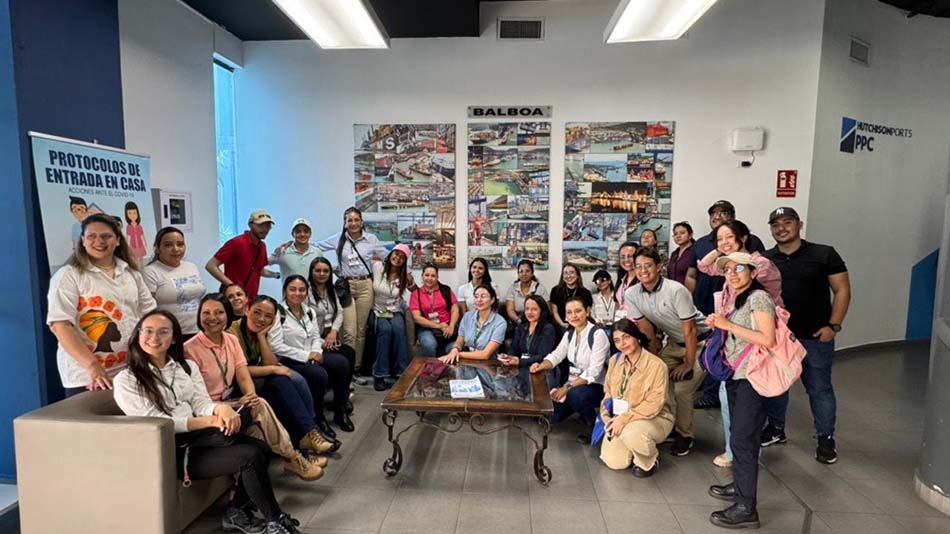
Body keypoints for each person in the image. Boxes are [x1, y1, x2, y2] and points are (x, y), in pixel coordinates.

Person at [114, 310, 305, 534]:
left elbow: (201, 402)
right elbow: (159, 425)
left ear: (174, 337)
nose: (154, 338)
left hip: (202, 438)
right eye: (148, 331)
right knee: (249, 455)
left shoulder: (185, 367)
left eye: (163, 332)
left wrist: (221, 409)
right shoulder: (127, 379)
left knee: (260, 444)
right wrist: (210, 421)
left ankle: (238, 511)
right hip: (173, 449)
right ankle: (276, 520)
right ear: (138, 334)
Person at [184, 294, 326, 481]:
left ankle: (297, 452)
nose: (213, 318)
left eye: (219, 312)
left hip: (232, 399)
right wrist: (243, 401)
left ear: (227, 315)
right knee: (267, 402)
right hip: (211, 407)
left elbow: (242, 373)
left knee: (267, 401)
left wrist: (250, 395)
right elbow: (198, 398)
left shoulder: (229, 339)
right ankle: (294, 455)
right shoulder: (190, 348)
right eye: (207, 313)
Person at [761, 207, 851, 464]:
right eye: (775, 224)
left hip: (815, 337)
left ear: (799, 224)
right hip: (779, 338)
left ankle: (825, 438)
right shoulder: (766, 259)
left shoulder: (824, 254)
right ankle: (776, 429)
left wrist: (833, 326)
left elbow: (842, 289)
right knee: (776, 388)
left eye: (787, 222)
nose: (781, 228)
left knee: (819, 389)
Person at [47, 213, 157, 397]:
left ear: (118, 241)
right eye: (91, 236)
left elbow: (150, 315)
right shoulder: (69, 275)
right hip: (88, 376)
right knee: (92, 426)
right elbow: (60, 325)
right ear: (82, 241)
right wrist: (93, 367)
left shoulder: (131, 273)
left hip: (130, 370)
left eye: (106, 236)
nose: (99, 241)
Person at [705, 252, 777, 529]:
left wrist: (727, 324)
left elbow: (767, 338)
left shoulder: (758, 298)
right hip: (738, 375)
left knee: (744, 441)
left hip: (752, 378)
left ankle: (747, 508)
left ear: (753, 272)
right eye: (727, 270)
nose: (732, 274)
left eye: (738, 268)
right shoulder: (740, 298)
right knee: (738, 437)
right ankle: (740, 486)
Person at [624, 247, 709, 456]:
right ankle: (665, 424)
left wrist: (688, 363)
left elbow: (690, 330)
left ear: (659, 267)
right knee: (652, 378)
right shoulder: (632, 293)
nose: (643, 271)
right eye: (638, 267)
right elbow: (646, 330)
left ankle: (685, 435)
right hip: (673, 344)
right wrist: (648, 361)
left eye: (648, 265)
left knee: (682, 390)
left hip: (701, 344)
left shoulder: (676, 290)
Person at [227, 296, 339, 455]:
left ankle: (308, 436)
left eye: (268, 316)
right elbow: (241, 371)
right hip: (240, 385)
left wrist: (261, 337)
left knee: (289, 382)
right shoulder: (233, 333)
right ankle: (309, 434)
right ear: (246, 310)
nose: (261, 319)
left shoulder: (261, 332)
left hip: (258, 379)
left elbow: (269, 362)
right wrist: (273, 370)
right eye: (257, 313)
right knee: (283, 380)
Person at [693, 201, 765, 410]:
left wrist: (730, 324)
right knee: (731, 392)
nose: (724, 242)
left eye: (729, 237)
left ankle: (768, 429)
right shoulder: (729, 265)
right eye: (719, 238)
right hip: (730, 331)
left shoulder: (759, 264)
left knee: (748, 394)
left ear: (743, 238)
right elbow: (704, 266)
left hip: (752, 336)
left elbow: (768, 306)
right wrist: (720, 248)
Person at [270, 275, 355, 435]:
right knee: (319, 374)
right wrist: (307, 355)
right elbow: (276, 346)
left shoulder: (309, 312)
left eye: (302, 289)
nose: (298, 293)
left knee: (342, 363)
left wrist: (316, 351)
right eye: (292, 289)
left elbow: (316, 336)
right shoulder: (278, 313)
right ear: (285, 291)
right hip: (291, 359)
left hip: (311, 354)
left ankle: (340, 410)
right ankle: (318, 418)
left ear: (307, 292)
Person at [316, 207, 387, 377]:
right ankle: (346, 369)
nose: (353, 223)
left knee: (361, 330)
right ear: (345, 223)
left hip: (365, 286)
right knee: (349, 330)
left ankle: (356, 368)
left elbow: (389, 256)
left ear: (362, 221)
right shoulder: (338, 240)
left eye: (356, 220)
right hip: (345, 287)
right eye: (350, 220)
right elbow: (316, 246)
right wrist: (291, 244)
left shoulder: (371, 239)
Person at [598, 319, 674, 478]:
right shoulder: (614, 361)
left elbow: (654, 404)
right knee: (615, 462)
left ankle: (650, 459)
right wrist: (606, 417)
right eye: (617, 340)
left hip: (654, 418)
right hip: (621, 417)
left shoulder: (657, 365)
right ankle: (636, 448)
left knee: (631, 433)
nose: (622, 344)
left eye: (626, 337)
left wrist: (624, 419)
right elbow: (608, 394)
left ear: (637, 337)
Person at [529, 297, 609, 442]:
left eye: (578, 311)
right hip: (574, 384)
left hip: (597, 385)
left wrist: (566, 387)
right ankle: (580, 410)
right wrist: (542, 365)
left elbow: (594, 372)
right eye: (569, 312)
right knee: (551, 416)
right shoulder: (570, 333)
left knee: (574, 395)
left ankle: (595, 423)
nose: (574, 316)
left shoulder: (597, 334)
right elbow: (557, 355)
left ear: (587, 311)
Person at [144, 227, 206, 340]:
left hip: (198, 330)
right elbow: (146, 308)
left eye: (180, 244)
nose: (175, 249)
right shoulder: (150, 272)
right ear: (157, 248)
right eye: (168, 245)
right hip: (170, 335)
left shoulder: (191, 267)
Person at [370, 244, 416, 391]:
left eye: (402, 257)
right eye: (395, 254)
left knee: (399, 330)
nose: (397, 258)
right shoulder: (377, 267)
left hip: (395, 311)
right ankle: (379, 374)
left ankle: (401, 373)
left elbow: (416, 292)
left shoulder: (404, 277)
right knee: (385, 331)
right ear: (390, 255)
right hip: (378, 311)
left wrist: (412, 283)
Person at [206, 210, 275, 301]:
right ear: (250, 225)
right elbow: (211, 265)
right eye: (260, 225)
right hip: (232, 298)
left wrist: (277, 275)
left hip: (250, 299)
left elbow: (260, 270)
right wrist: (232, 286)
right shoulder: (237, 243)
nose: (265, 229)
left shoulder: (262, 246)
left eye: (268, 226)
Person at [307, 257, 356, 379]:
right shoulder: (305, 291)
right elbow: (306, 322)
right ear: (311, 272)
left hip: (329, 335)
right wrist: (322, 341)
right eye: (318, 271)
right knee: (340, 359)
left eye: (326, 271)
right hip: (313, 339)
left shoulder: (330, 290)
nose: (322, 274)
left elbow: (339, 311)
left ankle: (346, 385)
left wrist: (334, 331)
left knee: (349, 352)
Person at [438, 284, 508, 363]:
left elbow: (485, 354)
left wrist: (459, 354)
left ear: (492, 300)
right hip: (467, 362)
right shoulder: (467, 316)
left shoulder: (500, 322)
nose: (479, 300)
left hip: (488, 364)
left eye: (483, 296)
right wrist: (455, 349)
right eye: (476, 296)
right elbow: (460, 340)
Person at [410, 263, 459, 357]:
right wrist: (439, 326)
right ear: (422, 276)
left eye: (433, 276)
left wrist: (451, 326)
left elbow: (455, 309)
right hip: (427, 328)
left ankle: (449, 371)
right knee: (429, 344)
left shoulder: (446, 290)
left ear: (437, 277)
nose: (430, 278)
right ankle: (431, 370)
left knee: (453, 348)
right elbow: (417, 318)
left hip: (448, 326)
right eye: (427, 275)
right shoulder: (416, 294)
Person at [498, 294, 558, 371]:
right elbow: (514, 348)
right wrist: (509, 357)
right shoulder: (522, 327)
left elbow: (542, 356)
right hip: (522, 368)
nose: (529, 312)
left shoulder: (548, 328)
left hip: (540, 369)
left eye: (534, 309)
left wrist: (520, 361)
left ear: (542, 311)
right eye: (527, 309)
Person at [549, 263, 593, 332]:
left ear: (577, 275)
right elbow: (554, 311)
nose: (568, 275)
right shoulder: (556, 291)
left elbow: (587, 313)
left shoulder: (586, 293)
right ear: (562, 276)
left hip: (580, 326)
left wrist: (576, 324)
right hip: (560, 325)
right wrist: (562, 324)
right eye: (565, 273)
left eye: (572, 272)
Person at [505, 259, 549, 326]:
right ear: (518, 274)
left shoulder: (540, 288)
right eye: (521, 271)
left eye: (527, 271)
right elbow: (510, 310)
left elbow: (547, 310)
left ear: (532, 273)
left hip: (537, 323)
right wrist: (518, 320)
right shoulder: (513, 288)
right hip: (518, 322)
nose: (524, 274)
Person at [668, 221, 698, 293]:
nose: (678, 236)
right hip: (674, 293)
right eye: (675, 234)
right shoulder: (674, 254)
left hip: (691, 294)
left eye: (682, 233)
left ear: (690, 235)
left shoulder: (696, 251)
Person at [614, 241, 639, 318]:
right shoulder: (622, 278)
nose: (626, 260)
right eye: (622, 257)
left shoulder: (642, 280)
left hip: (637, 327)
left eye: (630, 256)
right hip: (622, 326)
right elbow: (618, 303)